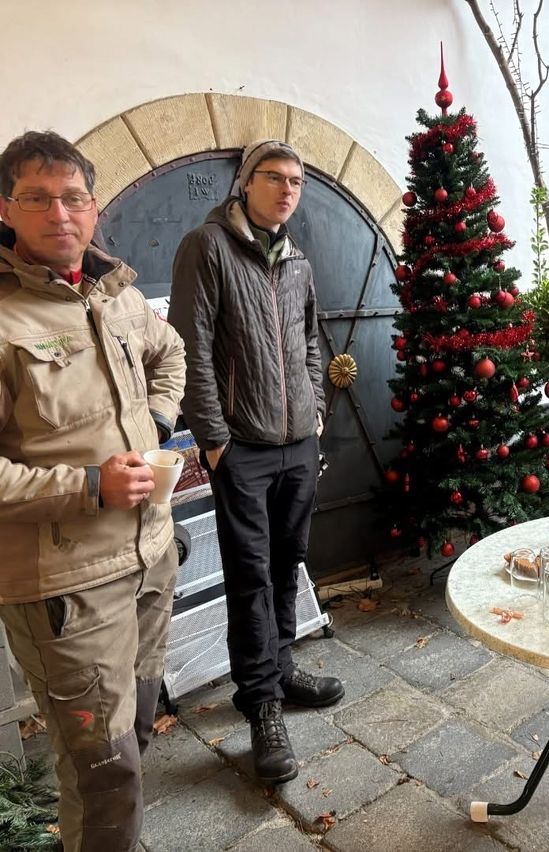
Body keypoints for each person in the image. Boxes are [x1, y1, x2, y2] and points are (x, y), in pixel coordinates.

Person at [0, 131, 186, 850]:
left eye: (74, 197)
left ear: (94, 206)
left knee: (133, 736)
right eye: (38, 199)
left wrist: (161, 420)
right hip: (67, 592)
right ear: (6, 209)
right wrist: (88, 483)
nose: (60, 214)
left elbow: (169, 353)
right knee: (103, 772)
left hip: (149, 559)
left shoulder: (117, 295)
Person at [169, 139, 343, 785]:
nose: (288, 188)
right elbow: (191, 346)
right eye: (275, 177)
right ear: (245, 183)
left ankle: (284, 665)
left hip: (298, 441)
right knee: (249, 574)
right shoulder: (207, 246)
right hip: (241, 447)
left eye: (297, 180)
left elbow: (308, 339)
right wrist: (214, 441)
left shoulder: (294, 257)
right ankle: (261, 703)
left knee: (286, 558)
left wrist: (316, 411)